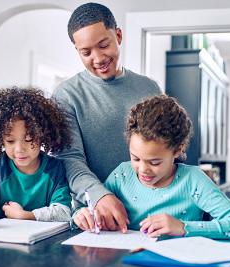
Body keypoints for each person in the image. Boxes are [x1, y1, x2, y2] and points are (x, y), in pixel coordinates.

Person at [75, 95, 230, 240]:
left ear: (177, 150)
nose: (143, 169)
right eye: (136, 158)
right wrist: (82, 216)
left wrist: (183, 227)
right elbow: (89, 211)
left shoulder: (193, 180)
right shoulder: (122, 174)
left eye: (154, 162)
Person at [53, 2, 162, 232]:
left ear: (118, 36)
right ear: (77, 51)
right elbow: (70, 160)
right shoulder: (66, 95)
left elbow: (168, 150)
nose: (98, 57)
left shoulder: (149, 88)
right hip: (96, 217)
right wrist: (99, 195)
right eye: (86, 52)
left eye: (104, 45)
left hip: (152, 214)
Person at [0, 87, 72, 228]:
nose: (19, 149)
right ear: (0, 140)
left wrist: (26, 216)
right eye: (10, 141)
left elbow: (64, 212)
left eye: (29, 139)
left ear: (43, 136)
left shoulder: (54, 168)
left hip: (41, 242)